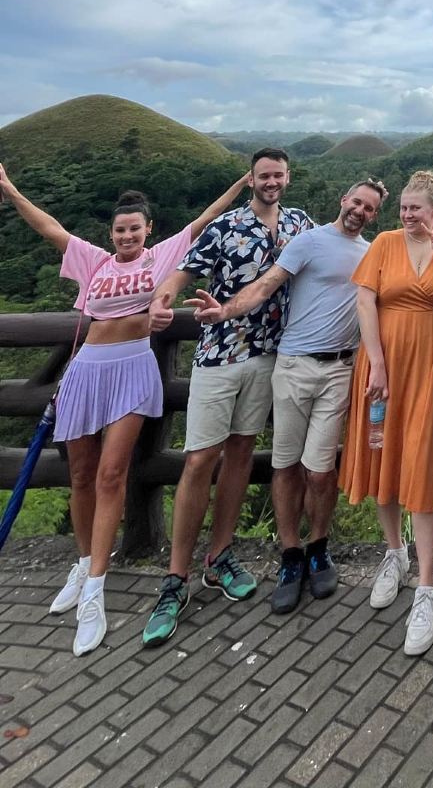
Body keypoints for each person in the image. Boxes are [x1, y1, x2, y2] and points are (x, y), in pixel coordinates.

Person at [0, 162, 248, 655]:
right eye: (120, 230)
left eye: (135, 228)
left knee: (112, 474)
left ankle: (96, 588)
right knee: (80, 475)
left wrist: (240, 184)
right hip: (85, 370)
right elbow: (51, 228)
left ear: (148, 229)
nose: (127, 236)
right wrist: (9, 190)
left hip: (133, 368)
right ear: (111, 234)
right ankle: (82, 563)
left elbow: (204, 219)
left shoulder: (161, 256)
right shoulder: (95, 262)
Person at [189, 178, 388, 614]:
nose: (360, 211)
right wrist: (225, 311)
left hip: (339, 368)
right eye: (356, 202)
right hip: (294, 364)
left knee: (319, 470)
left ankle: (319, 545)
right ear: (344, 199)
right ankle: (290, 553)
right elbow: (266, 285)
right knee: (285, 464)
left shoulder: (372, 252)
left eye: (369, 208)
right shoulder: (309, 241)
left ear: (375, 215)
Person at [140, 148, 312, 647]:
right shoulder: (226, 225)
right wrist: (161, 301)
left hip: (269, 355)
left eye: (279, 175)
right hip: (219, 355)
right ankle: (175, 578)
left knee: (239, 454)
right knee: (199, 460)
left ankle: (219, 557)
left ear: (288, 177)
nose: (272, 182)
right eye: (264, 176)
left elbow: (339, 251)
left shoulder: (300, 224)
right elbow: (183, 271)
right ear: (251, 179)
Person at [339, 170, 433, 655]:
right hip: (381, 366)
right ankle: (394, 553)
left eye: (417, 208)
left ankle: (428, 588)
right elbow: (365, 300)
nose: (408, 214)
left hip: (427, 369)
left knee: (423, 463)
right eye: (404, 207)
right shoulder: (385, 243)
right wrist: (376, 363)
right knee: (384, 456)